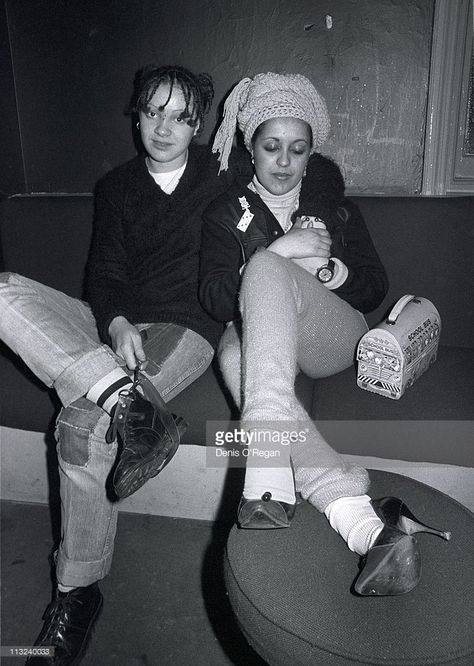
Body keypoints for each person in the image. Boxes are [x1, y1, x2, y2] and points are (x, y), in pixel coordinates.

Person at [0, 64, 235, 665]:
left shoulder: (221, 176)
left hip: (184, 328)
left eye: (180, 116)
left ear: (199, 124)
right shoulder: (118, 188)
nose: (163, 127)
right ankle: (124, 399)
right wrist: (115, 323)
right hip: (113, 321)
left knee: (80, 430)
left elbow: (299, 174)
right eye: (152, 111)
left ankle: (75, 594)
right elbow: (103, 277)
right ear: (136, 113)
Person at [199, 72, 450, 597]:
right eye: (272, 147)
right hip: (258, 343)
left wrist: (335, 273)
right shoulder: (226, 214)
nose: (284, 162)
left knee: (265, 271)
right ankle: (361, 522)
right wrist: (282, 251)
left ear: (311, 154)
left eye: (297, 149)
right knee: (234, 360)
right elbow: (215, 298)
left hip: (330, 335)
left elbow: (375, 286)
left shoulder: (336, 209)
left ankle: (265, 463)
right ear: (252, 147)